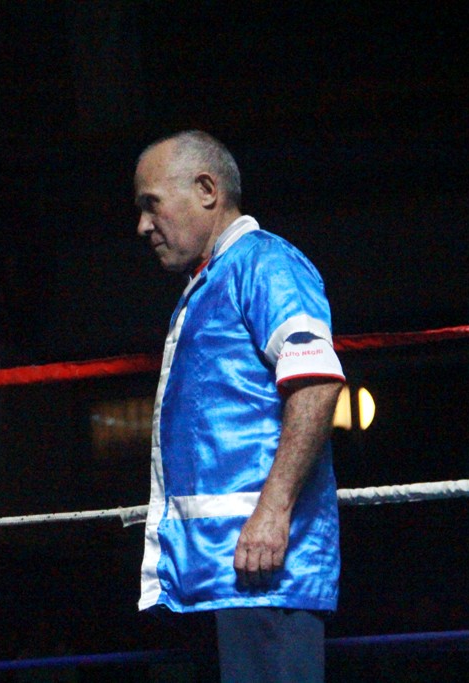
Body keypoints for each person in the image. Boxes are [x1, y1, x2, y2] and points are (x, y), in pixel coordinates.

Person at [133, 131, 345, 682]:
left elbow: (317, 383)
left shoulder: (267, 263)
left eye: (151, 205)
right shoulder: (208, 282)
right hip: (216, 574)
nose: (143, 226)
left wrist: (273, 512)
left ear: (206, 189)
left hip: (265, 569)